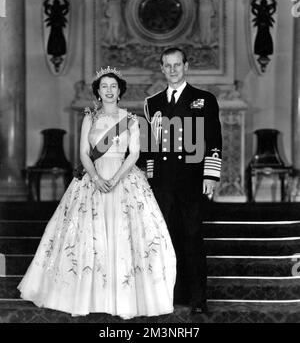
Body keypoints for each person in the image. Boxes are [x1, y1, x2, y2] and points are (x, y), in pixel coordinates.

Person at [18, 67, 176, 320]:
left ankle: (123, 296)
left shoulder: (131, 119)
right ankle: (88, 296)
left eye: (113, 86)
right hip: (93, 177)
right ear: (98, 92)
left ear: (120, 90)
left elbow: (134, 153)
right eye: (104, 86)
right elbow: (83, 152)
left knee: (124, 236)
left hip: (124, 177)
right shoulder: (89, 117)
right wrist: (96, 177)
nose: (109, 90)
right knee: (88, 237)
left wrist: (114, 179)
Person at [144, 47, 222, 313]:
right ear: (162, 68)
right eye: (168, 65)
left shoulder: (204, 99)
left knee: (192, 237)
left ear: (186, 66)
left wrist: (210, 174)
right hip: (163, 183)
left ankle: (198, 301)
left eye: (178, 64)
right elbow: (149, 147)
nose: (173, 69)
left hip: (191, 181)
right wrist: (149, 178)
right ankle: (169, 296)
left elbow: (213, 140)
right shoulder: (152, 103)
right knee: (165, 239)